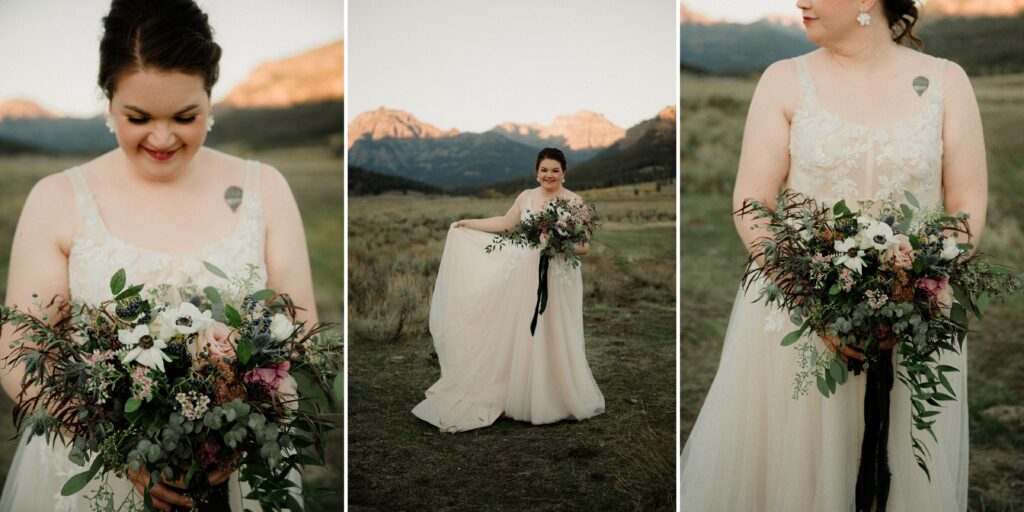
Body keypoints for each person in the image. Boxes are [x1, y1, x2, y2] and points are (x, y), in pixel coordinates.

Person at [0, 1, 316, 510]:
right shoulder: (57, 198)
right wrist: (118, 448)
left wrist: (235, 419)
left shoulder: (265, 189)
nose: (163, 138)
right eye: (138, 117)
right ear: (109, 102)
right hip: (93, 471)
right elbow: (17, 352)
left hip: (240, 464)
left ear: (210, 100)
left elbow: (296, 325)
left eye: (185, 116)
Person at [679, 0, 985, 510]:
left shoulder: (947, 81)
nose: (800, 1)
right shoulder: (784, 79)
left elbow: (968, 204)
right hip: (796, 315)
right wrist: (813, 300)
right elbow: (753, 205)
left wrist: (918, 282)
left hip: (912, 321)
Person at [412, 147, 606, 433]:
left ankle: (554, 395)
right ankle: (519, 391)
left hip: (558, 276)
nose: (548, 175)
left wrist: (555, 241)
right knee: (523, 330)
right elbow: (505, 224)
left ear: (564, 172)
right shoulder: (526, 196)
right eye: (544, 170)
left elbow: (584, 247)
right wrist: (468, 224)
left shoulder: (576, 203)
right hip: (525, 274)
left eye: (555, 170)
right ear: (536, 172)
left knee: (554, 330)